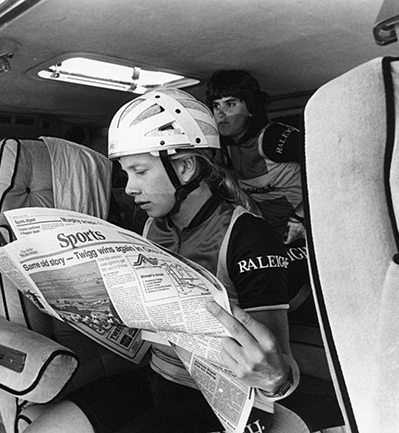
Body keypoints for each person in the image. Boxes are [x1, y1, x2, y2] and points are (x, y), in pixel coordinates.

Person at [24, 89, 300, 433]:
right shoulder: (152, 225)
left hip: (224, 400)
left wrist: (277, 379)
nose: (129, 189)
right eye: (126, 174)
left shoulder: (249, 236)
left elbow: (279, 364)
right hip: (159, 375)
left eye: (139, 171)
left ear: (184, 168)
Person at [206, 70, 305, 245]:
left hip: (306, 229)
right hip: (275, 235)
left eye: (230, 104)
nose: (221, 114)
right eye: (216, 106)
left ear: (251, 109)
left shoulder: (272, 137)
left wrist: (300, 217)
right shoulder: (226, 147)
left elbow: (329, 167)